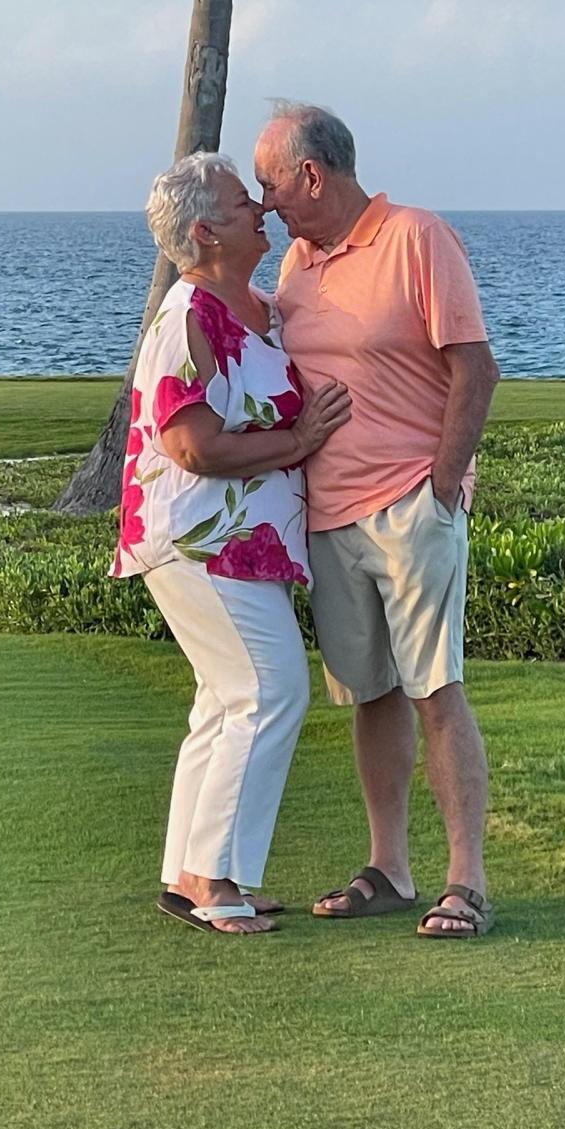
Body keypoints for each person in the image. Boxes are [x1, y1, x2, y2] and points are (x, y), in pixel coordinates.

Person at [254, 102, 501, 938]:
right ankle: (389, 867)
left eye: (271, 184)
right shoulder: (295, 262)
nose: (265, 202)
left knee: (436, 690)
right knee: (371, 695)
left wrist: (440, 484)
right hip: (328, 518)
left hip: (408, 506)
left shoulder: (416, 238)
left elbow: (475, 368)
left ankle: (465, 880)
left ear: (312, 176)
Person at [111, 150, 351, 935]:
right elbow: (193, 448)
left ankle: (194, 873)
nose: (262, 209)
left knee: (224, 701)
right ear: (205, 230)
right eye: (245, 202)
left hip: (242, 542)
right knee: (269, 689)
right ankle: (215, 879)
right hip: (198, 538)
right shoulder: (189, 316)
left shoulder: (258, 309)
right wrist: (298, 442)